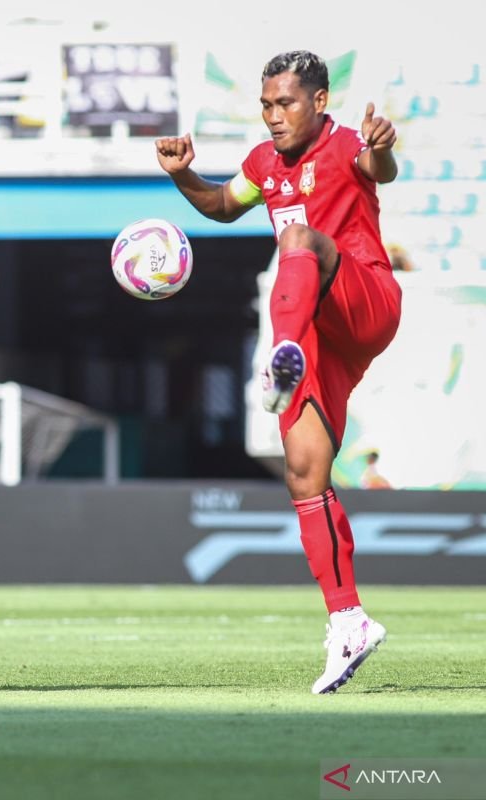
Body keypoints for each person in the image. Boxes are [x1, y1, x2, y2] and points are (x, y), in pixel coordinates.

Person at [155, 50, 401, 694]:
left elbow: (381, 168)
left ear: (320, 102)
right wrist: (185, 177)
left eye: (285, 103)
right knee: (304, 474)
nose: (272, 117)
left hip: (364, 300)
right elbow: (221, 205)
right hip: (316, 333)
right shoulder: (265, 165)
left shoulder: (349, 144)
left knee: (299, 244)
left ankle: (278, 361)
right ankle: (348, 620)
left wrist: (382, 147)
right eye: (265, 105)